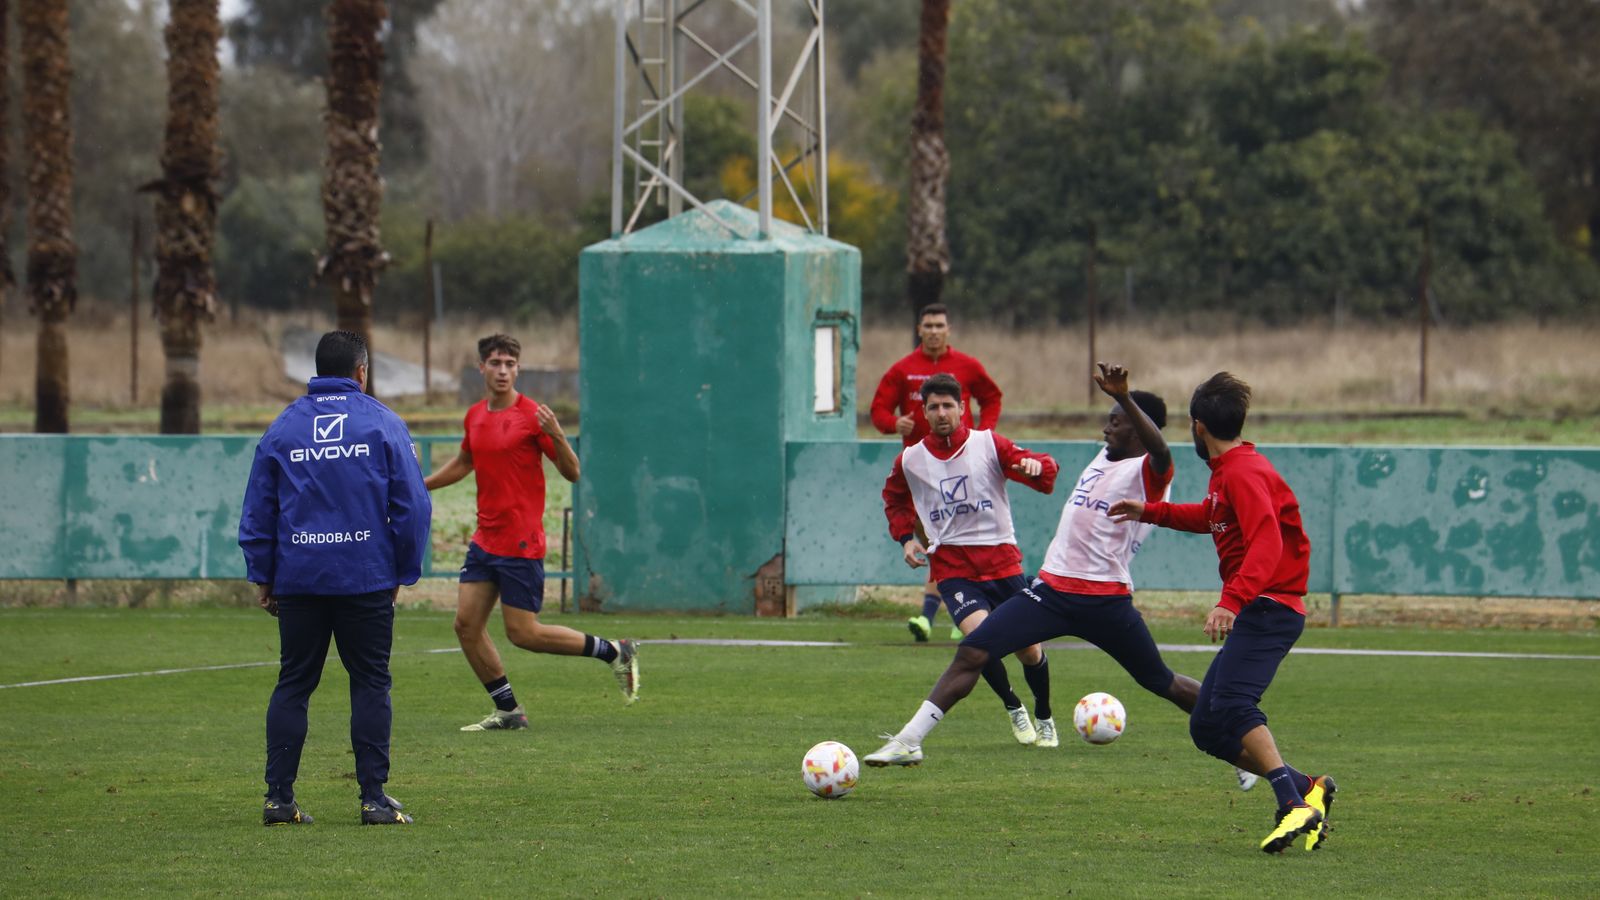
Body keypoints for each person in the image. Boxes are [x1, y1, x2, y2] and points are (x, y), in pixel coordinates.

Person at [867, 365, 1258, 793]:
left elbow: (1162, 454)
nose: (1106, 426)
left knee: (1161, 681)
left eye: (1116, 420)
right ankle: (909, 741)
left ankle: (1242, 750)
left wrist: (1127, 398)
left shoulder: (1148, 471)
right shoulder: (1104, 457)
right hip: (1053, 592)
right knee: (973, 651)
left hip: (1104, 600)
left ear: (1138, 429)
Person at [1108, 371, 1336, 854]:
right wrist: (1150, 510)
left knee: (1234, 707)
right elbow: (1211, 516)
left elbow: (1268, 541)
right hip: (1263, 605)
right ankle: (1310, 788)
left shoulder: (1244, 473)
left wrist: (1231, 601)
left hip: (1269, 607)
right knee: (1207, 726)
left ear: (1197, 427)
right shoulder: (1231, 471)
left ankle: (1290, 803)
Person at [240, 330, 431, 826]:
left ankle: (278, 799)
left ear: (317, 371)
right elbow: (412, 508)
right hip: (364, 578)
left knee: (294, 683)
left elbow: (259, 509)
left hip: (300, 579)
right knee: (370, 682)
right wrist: (403, 571)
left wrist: (263, 574)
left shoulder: (282, 428)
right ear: (362, 371)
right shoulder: (384, 424)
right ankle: (373, 799)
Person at [424, 333, 638, 732]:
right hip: (485, 540)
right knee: (466, 626)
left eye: (510, 363)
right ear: (481, 368)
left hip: (520, 543)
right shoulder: (474, 415)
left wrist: (556, 433)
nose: (503, 370)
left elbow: (572, 472)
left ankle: (614, 651)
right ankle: (509, 711)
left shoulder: (533, 416)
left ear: (518, 369)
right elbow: (464, 462)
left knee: (524, 634)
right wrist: (423, 485)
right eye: (495, 363)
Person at [881, 373, 1060, 746]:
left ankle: (1044, 713)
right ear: (924, 412)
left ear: (963, 409)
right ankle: (1013, 706)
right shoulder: (911, 460)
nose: (942, 412)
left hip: (1003, 565)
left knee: (1029, 651)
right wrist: (905, 539)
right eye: (934, 407)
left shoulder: (988, 444)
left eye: (949, 405)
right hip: (953, 569)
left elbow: (1039, 470)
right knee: (980, 641)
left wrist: (1039, 466)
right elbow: (894, 499)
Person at [871, 304, 1004, 642]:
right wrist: (892, 424)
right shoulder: (903, 369)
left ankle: (941, 615)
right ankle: (965, 615)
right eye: (928, 324)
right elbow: (878, 410)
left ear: (948, 329)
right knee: (940, 545)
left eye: (939, 325)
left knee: (952, 545)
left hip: (964, 468)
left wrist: (984, 435)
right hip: (923, 477)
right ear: (919, 329)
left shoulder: (968, 366)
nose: (933, 330)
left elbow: (992, 398)